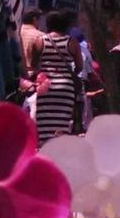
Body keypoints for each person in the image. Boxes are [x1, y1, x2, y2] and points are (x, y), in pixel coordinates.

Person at [32, 10, 84, 144]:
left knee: (44, 121)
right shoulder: (72, 42)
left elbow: (34, 65)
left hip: (45, 86)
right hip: (66, 87)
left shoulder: (40, 41)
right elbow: (79, 66)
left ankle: (45, 147)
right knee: (62, 121)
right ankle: (60, 148)